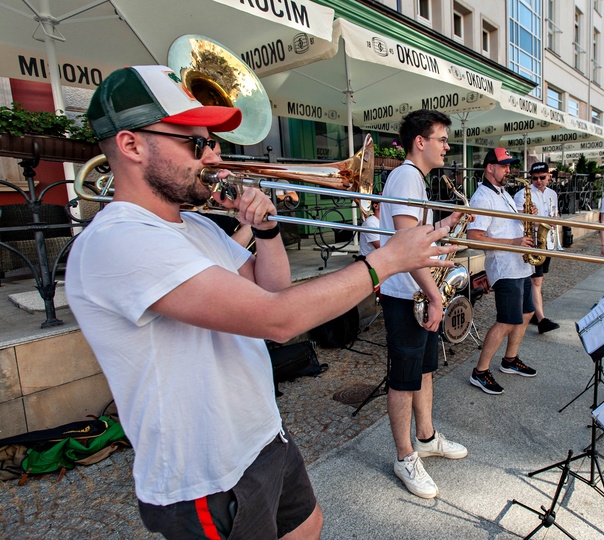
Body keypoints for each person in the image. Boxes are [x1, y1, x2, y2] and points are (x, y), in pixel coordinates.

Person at [65, 66, 457, 539]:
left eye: (212, 142)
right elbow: (278, 319)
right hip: (206, 472)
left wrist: (268, 230)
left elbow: (270, 289)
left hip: (260, 435)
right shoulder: (119, 239)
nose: (214, 157)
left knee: (308, 525)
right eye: (196, 144)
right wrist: (386, 262)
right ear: (131, 146)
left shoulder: (200, 226)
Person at [377, 109, 469, 500]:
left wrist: (446, 226)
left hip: (417, 291)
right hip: (406, 294)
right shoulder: (405, 177)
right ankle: (404, 456)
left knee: (425, 370)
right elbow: (404, 246)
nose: (447, 146)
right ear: (421, 142)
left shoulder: (414, 180)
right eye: (442, 139)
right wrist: (434, 295)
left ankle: (427, 438)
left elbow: (418, 238)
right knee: (404, 377)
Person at [467, 147, 538, 396]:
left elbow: (504, 225)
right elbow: (474, 238)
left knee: (528, 312)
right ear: (490, 168)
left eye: (510, 165)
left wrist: (525, 218)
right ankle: (480, 371)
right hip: (504, 268)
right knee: (506, 320)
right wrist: (514, 243)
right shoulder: (482, 198)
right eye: (505, 165)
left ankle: (510, 360)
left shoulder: (502, 193)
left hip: (520, 265)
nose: (509, 170)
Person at [513, 162, 560, 334]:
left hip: (546, 241)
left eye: (542, 177)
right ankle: (541, 319)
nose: (538, 181)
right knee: (536, 281)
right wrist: (531, 217)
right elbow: (517, 220)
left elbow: (554, 214)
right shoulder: (522, 195)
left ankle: (533, 312)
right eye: (534, 178)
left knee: (538, 280)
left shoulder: (552, 194)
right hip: (532, 241)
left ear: (549, 176)